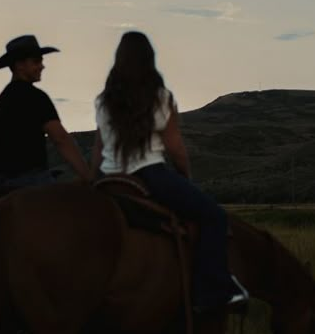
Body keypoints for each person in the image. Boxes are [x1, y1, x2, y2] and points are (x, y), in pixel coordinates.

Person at [91, 30, 248, 314]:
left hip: (108, 176)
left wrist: (93, 180)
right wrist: (185, 179)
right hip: (149, 173)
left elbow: (98, 147)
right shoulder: (160, 97)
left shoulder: (103, 100)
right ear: (150, 60)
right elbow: (175, 148)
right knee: (213, 215)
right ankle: (211, 290)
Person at [0, 34, 92, 191]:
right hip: (29, 180)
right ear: (20, 65)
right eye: (36, 61)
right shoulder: (36, 98)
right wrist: (88, 176)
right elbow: (60, 138)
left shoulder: (3, 98)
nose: (42, 66)